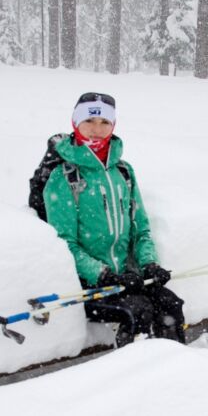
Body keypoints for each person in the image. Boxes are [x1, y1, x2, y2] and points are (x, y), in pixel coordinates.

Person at [39, 91, 186, 347]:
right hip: (91, 286)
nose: (97, 129)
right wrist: (102, 274)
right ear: (76, 124)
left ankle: (177, 371)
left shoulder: (123, 172)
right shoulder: (64, 177)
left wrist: (149, 263)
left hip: (128, 279)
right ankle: (133, 377)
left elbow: (141, 230)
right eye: (90, 121)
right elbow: (64, 243)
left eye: (105, 122)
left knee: (170, 304)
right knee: (137, 310)